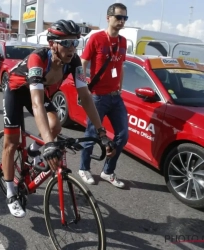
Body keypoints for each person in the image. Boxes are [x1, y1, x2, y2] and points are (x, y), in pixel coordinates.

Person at [2, 19, 116, 218]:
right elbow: (36, 103)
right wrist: (49, 145)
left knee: (55, 126)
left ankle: (32, 150)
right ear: (52, 43)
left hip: (37, 91)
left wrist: (101, 132)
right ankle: (11, 193)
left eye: (75, 42)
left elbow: (86, 96)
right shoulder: (38, 59)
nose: (71, 48)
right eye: (66, 43)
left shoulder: (73, 61)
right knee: (11, 143)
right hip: (16, 91)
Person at [79, 2, 129, 188]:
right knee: (92, 134)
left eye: (125, 18)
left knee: (123, 135)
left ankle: (108, 171)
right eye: (118, 17)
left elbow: (121, 67)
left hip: (116, 96)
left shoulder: (123, 42)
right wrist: (83, 88)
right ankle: (84, 168)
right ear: (108, 18)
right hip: (98, 96)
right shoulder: (97, 38)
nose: (122, 21)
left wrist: (120, 88)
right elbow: (83, 62)